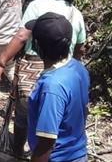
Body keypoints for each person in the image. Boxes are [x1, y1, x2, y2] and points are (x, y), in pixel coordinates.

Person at [0, 0, 87, 158]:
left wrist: (1, 61)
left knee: (24, 115)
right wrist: (73, 69)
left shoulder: (37, 5)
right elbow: (80, 48)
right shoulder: (76, 13)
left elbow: (21, 35)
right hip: (65, 64)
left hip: (35, 65)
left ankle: (17, 151)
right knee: (57, 117)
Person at [25, 13, 90, 162]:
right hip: (77, 154)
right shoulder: (78, 68)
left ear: (37, 45)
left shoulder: (52, 87)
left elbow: (46, 143)